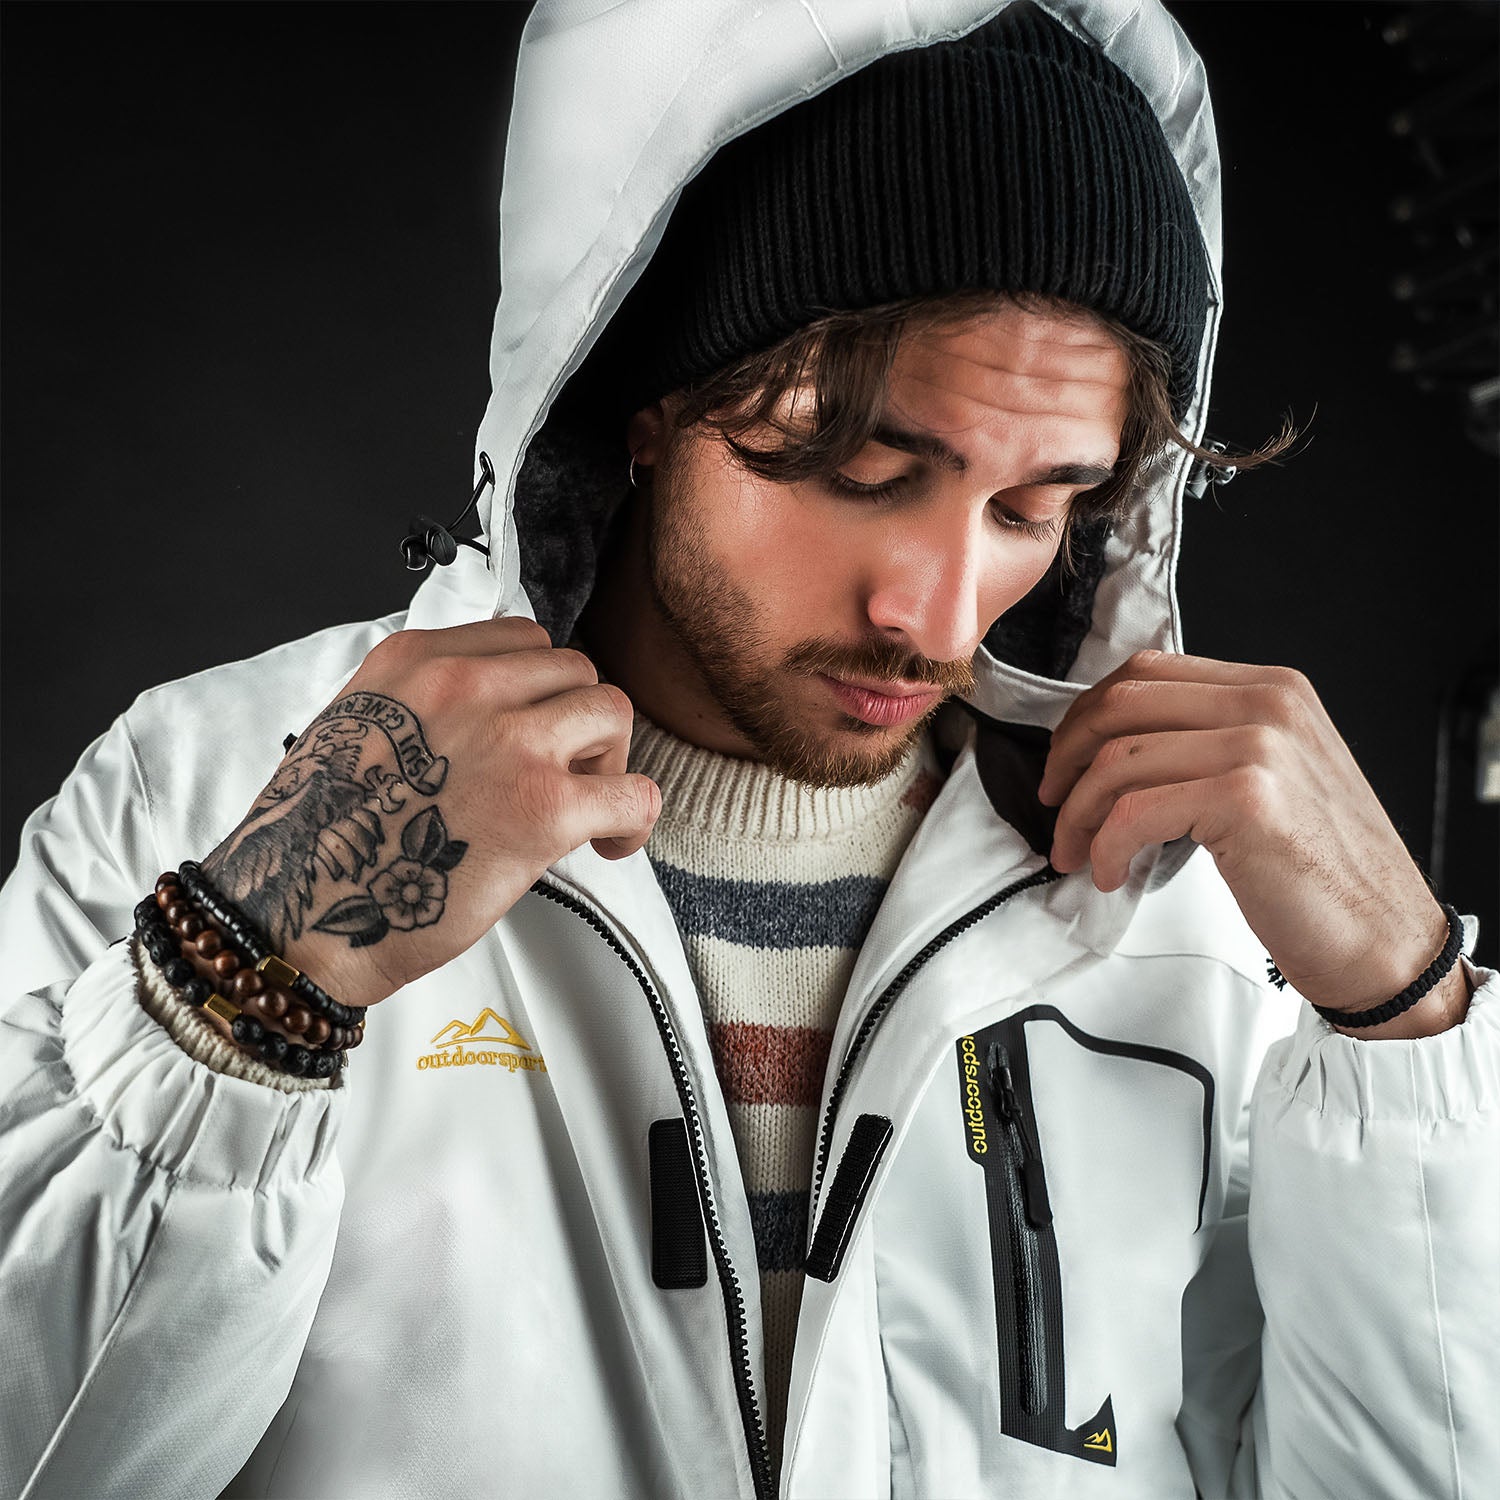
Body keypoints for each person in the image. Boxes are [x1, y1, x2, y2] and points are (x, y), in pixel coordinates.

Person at [1, 2, 1495, 1497]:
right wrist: (253, 976)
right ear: (647, 403)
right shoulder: (213, 797)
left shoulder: (1188, 899)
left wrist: (1411, 1033)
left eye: (1031, 509)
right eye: (864, 473)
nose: (938, 614)